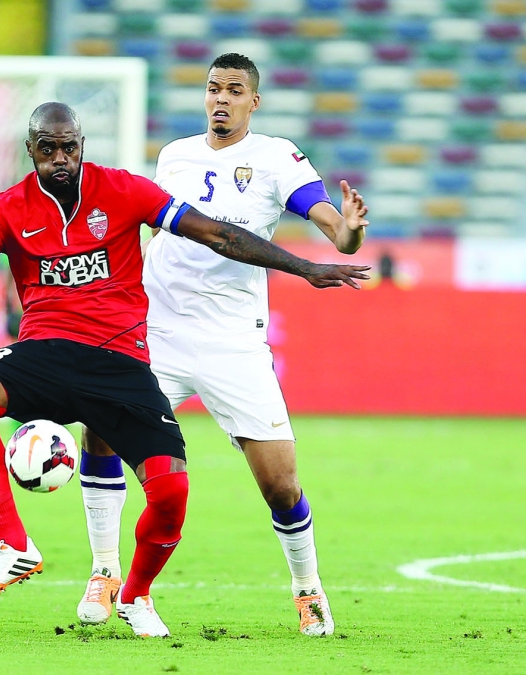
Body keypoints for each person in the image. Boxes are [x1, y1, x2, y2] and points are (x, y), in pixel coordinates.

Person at [0, 102, 368, 638]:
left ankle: (137, 595)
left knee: (175, 490)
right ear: (31, 150)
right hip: (47, 352)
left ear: (82, 146)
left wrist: (305, 267)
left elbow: (219, 234)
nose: (60, 158)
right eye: (48, 149)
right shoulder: (7, 207)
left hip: (124, 359)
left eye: (69, 148)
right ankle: (20, 547)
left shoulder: (124, 190)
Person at [75, 54, 370, 637]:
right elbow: (152, 229)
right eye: (214, 88)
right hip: (159, 331)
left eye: (234, 90)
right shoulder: (174, 156)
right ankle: (104, 572)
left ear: (253, 102)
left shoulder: (276, 157)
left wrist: (351, 229)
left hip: (232, 341)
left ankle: (307, 587)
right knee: (100, 428)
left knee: (280, 483)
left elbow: (336, 232)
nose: (221, 99)